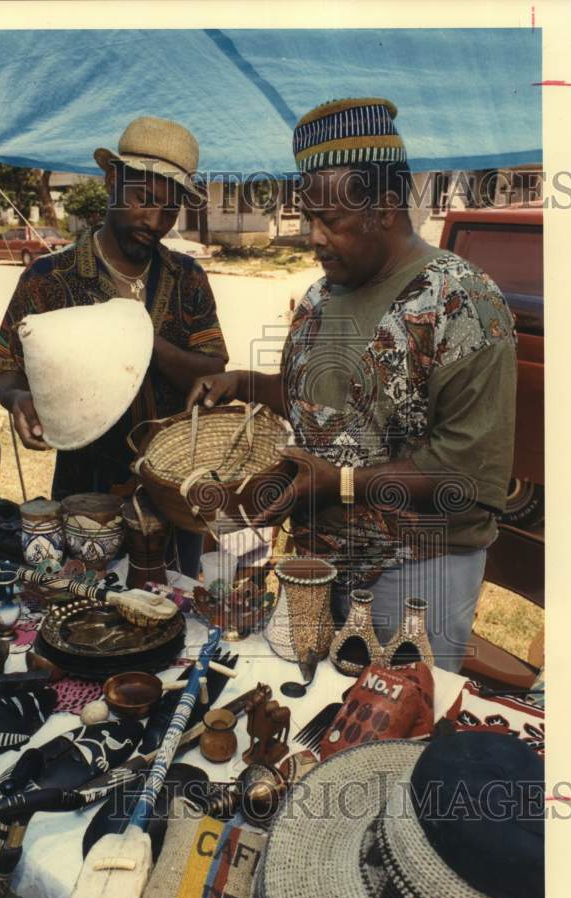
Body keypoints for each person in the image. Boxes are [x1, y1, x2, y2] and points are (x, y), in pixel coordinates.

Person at [187, 97, 517, 671]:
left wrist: (339, 483)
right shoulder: (322, 295)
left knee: (394, 728)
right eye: (306, 217)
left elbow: (469, 471)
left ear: (386, 208)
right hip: (317, 560)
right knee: (315, 717)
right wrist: (242, 382)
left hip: (414, 573)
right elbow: (321, 398)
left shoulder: (462, 301)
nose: (312, 237)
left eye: (330, 220)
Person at [0, 116, 228, 577]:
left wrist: (140, 338)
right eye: (144, 200)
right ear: (113, 181)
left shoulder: (187, 278)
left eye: (170, 209)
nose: (155, 222)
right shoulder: (48, 279)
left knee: (169, 610)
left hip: (174, 490)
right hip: (82, 488)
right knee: (81, 611)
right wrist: (18, 399)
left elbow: (212, 368)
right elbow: (8, 375)